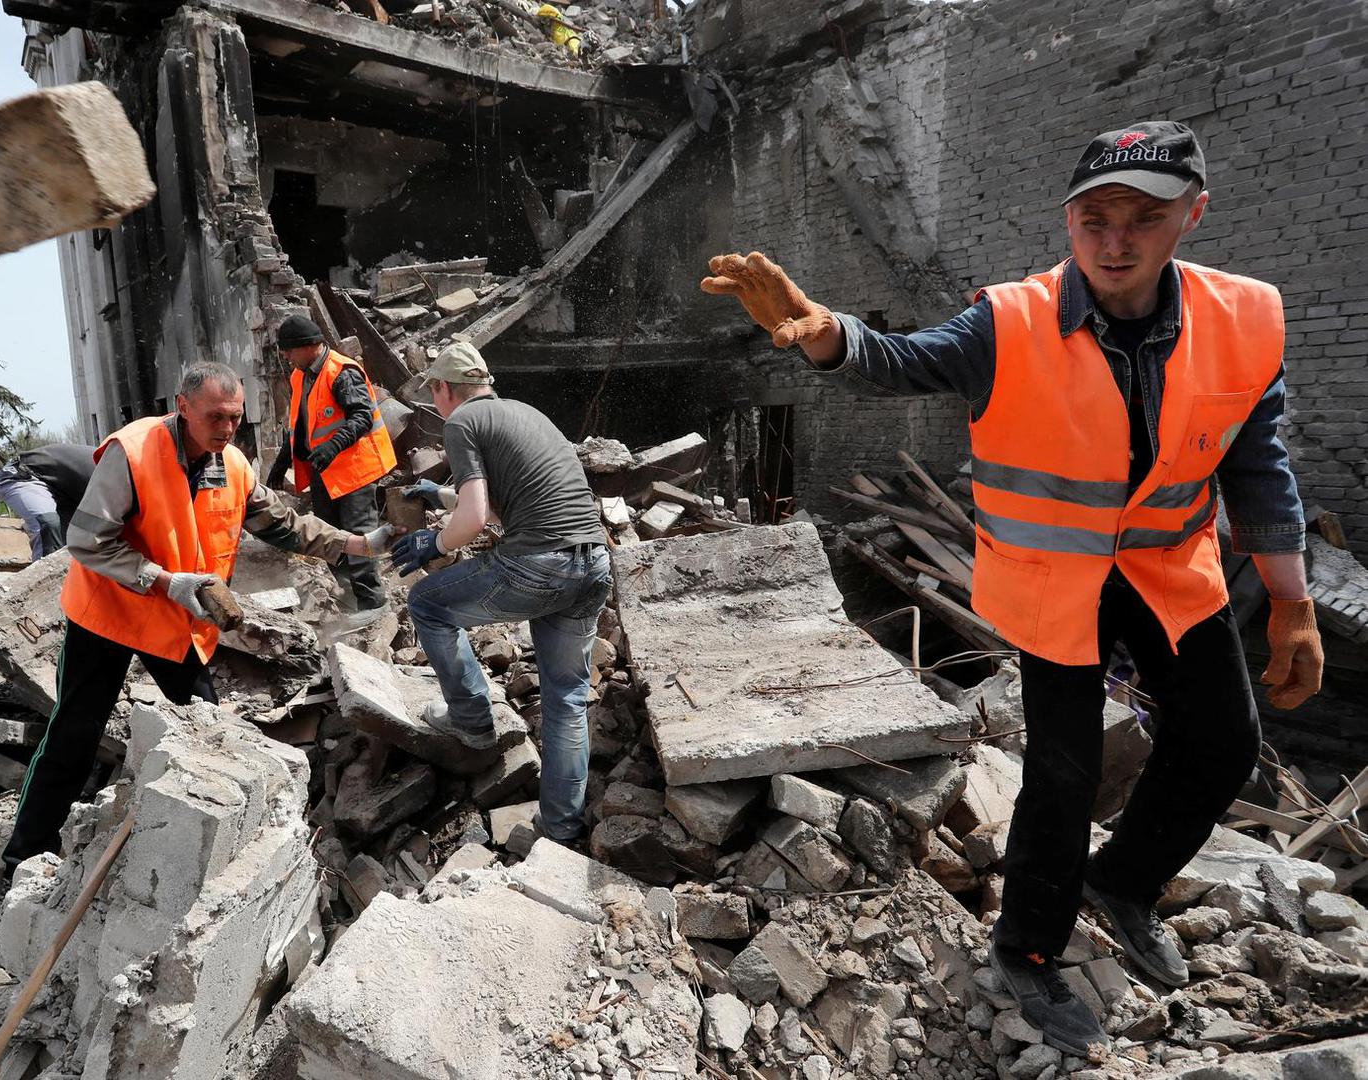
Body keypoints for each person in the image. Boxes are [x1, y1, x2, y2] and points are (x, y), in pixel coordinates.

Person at [702, 121, 1324, 1057]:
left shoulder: (1243, 319)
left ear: (1189, 216)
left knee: (1224, 743)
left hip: (1165, 571)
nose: (1114, 241)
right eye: (1094, 219)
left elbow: (1255, 464)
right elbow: (904, 360)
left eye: (1142, 219)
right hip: (1054, 581)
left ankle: (1122, 882)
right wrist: (829, 335)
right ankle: (1026, 948)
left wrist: (1290, 599)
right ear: (1069, 223)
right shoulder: (1012, 318)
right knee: (1062, 776)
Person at [0, 362, 392, 963]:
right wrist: (160, 579)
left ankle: (224, 861)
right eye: (216, 416)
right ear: (183, 405)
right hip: (110, 611)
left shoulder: (236, 465)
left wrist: (356, 544)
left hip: (174, 621)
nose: (227, 427)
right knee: (73, 736)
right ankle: (16, 877)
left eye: (235, 417)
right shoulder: (135, 450)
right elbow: (88, 540)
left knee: (211, 732)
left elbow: (283, 524)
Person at [388, 343, 611, 845]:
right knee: (567, 697)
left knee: (427, 604)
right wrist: (439, 495)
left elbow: (470, 521)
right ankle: (560, 830)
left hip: (538, 564)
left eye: (435, 393)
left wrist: (433, 543)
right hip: (592, 563)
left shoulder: (461, 423)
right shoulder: (527, 413)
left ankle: (472, 725)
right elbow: (495, 507)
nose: (437, 404)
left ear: (445, 389)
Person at [266, 315, 396, 624]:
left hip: (354, 468)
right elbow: (298, 427)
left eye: (288, 350)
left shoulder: (341, 372)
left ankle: (373, 603)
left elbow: (362, 416)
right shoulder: (300, 376)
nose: (285, 356)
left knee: (357, 532)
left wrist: (333, 446)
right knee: (330, 535)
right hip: (325, 470)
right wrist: (281, 463)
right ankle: (350, 600)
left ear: (308, 346)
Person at [0, 442, 98, 559]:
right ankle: (45, 575)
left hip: (63, 489)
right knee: (47, 524)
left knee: (79, 536)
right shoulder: (108, 475)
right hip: (24, 476)